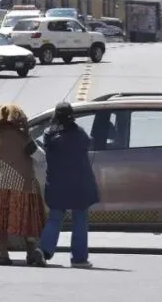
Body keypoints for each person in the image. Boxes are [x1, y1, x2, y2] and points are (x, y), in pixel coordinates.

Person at [0, 103, 47, 267]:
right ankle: (31, 253)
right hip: (20, 183)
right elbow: (40, 157)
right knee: (28, 220)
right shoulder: (23, 138)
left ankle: (3, 255)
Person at [38, 102, 99, 269]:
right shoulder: (79, 133)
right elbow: (87, 145)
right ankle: (79, 258)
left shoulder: (49, 135)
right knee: (80, 220)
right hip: (80, 183)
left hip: (57, 183)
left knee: (55, 218)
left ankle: (44, 251)